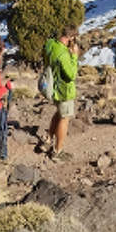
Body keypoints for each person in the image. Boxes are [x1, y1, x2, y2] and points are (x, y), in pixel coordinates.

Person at [44, 25, 80, 161]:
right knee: (64, 118)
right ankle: (57, 151)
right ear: (71, 38)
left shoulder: (50, 44)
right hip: (64, 90)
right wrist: (74, 57)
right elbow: (71, 74)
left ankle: (48, 140)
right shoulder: (63, 54)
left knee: (59, 113)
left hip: (52, 86)